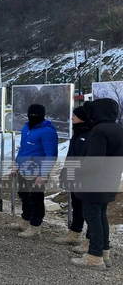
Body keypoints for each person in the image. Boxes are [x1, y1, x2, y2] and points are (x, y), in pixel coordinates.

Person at [71, 98, 123, 270]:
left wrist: (76, 171)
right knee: (101, 217)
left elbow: (93, 161)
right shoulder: (118, 129)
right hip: (110, 180)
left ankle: (95, 257)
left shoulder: (99, 130)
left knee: (93, 218)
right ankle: (103, 252)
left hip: (94, 182)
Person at [10, 104, 58, 238]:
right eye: (30, 114)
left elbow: (51, 154)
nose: (32, 117)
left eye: (35, 115)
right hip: (24, 168)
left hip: (37, 170)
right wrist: (16, 164)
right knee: (24, 195)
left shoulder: (48, 131)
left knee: (35, 198)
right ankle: (25, 220)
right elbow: (23, 149)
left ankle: (35, 227)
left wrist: (43, 174)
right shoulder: (26, 128)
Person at [55, 105, 92, 247]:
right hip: (74, 174)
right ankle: (75, 233)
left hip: (84, 176)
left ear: (82, 118)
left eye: (75, 116)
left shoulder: (89, 134)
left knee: (88, 209)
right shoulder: (77, 133)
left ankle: (90, 239)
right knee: (76, 205)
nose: (72, 118)